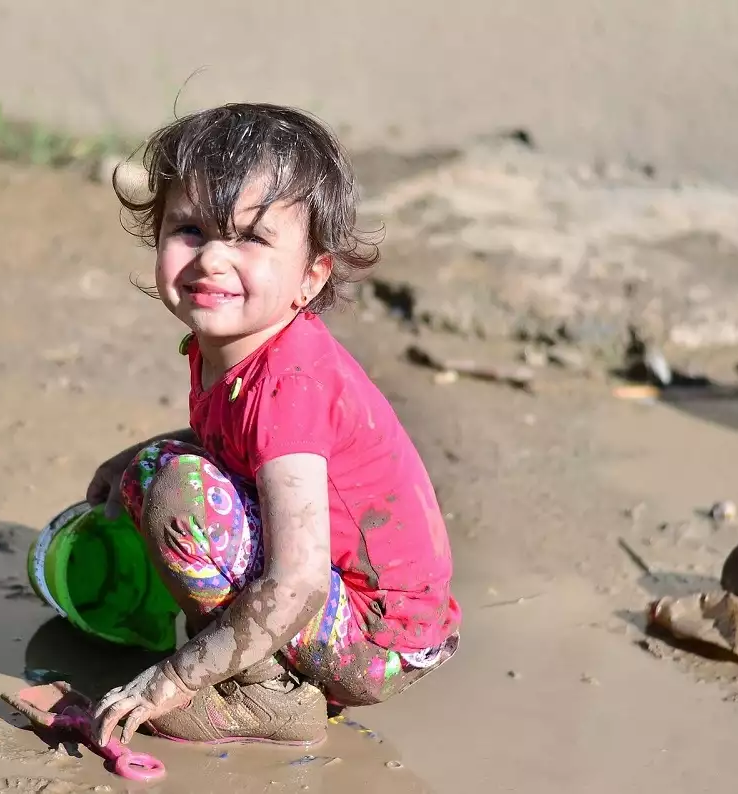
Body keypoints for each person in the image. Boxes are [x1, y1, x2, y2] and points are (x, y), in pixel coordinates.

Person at [86, 102, 461, 748]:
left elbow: (300, 580)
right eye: (190, 230)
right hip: (353, 609)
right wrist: (124, 465)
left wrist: (172, 679)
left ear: (311, 277)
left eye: (251, 239)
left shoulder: (290, 382)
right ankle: (245, 663)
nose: (212, 261)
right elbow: (227, 444)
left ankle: (262, 693)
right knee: (148, 469)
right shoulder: (224, 348)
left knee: (176, 492)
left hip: (377, 635)